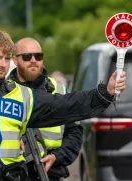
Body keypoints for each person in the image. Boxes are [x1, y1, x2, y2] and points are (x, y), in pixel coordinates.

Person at [0, 28, 126, 181]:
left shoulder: (23, 96)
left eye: (7, 58)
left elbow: (66, 105)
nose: (3, 64)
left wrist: (104, 93)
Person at [7, 37, 81, 181]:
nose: (34, 60)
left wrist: (56, 156)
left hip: (49, 174)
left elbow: (74, 133)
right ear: (15, 60)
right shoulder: (2, 93)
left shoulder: (60, 91)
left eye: (38, 56)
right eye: (27, 56)